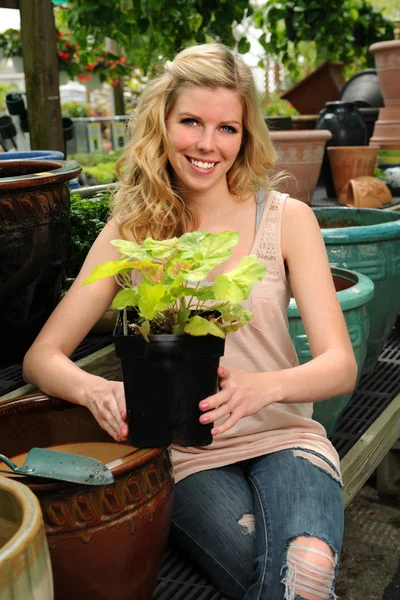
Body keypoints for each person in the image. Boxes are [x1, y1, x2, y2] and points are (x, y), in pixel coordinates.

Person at [23, 43, 357, 600]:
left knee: (309, 564)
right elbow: (43, 356)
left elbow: (340, 365)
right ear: (163, 121)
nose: (207, 144)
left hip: (286, 437)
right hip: (187, 458)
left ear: (246, 135)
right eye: (191, 122)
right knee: (281, 576)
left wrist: (259, 389)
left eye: (228, 128)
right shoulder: (132, 230)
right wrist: (96, 390)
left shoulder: (286, 218)